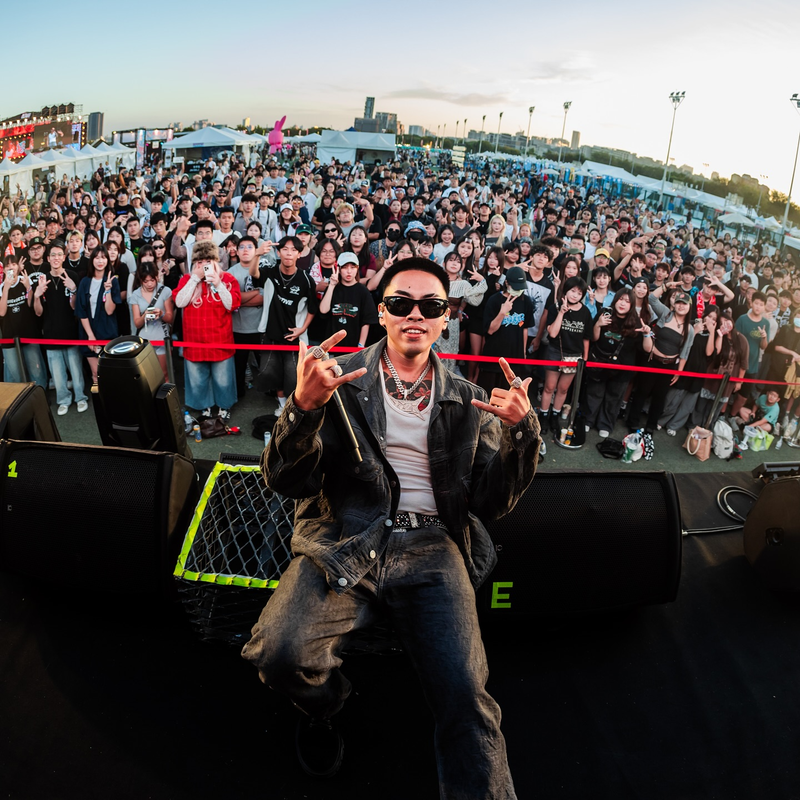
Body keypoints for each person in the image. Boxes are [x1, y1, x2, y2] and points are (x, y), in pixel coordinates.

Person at [241, 256, 540, 796]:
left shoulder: (468, 398)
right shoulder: (338, 380)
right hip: (347, 536)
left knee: (467, 697)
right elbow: (285, 480)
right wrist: (303, 407)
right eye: (401, 303)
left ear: (446, 317)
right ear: (382, 313)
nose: (414, 315)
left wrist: (522, 435)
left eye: (430, 305)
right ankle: (327, 705)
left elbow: (491, 504)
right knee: (278, 654)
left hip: (434, 546)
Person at [174, 241, 241, 421]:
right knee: (197, 379)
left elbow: (232, 304)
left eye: (208, 261)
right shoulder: (186, 279)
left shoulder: (227, 279)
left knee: (223, 379)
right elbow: (179, 302)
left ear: (215, 262)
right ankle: (205, 407)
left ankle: (224, 407)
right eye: (200, 261)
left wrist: (218, 283)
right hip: (194, 340)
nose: (204, 265)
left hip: (220, 339)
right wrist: (194, 279)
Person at [32, 241, 88, 414]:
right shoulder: (42, 279)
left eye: (59, 255)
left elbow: (75, 308)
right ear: (48, 258)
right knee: (57, 373)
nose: (56, 258)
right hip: (50, 333)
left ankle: (80, 397)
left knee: (76, 370)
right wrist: (37, 295)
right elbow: (38, 312)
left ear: (64, 257)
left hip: (70, 331)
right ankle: (63, 399)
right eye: (53, 255)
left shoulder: (72, 275)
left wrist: (73, 289)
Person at [74, 246, 123, 386]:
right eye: (96, 257)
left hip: (107, 333)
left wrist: (108, 291)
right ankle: (99, 399)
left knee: (109, 374)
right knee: (95, 374)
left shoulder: (112, 281)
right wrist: (90, 337)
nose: (100, 261)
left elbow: (110, 311)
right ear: (92, 260)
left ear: (107, 260)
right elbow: (81, 310)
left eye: (103, 257)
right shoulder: (85, 282)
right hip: (88, 334)